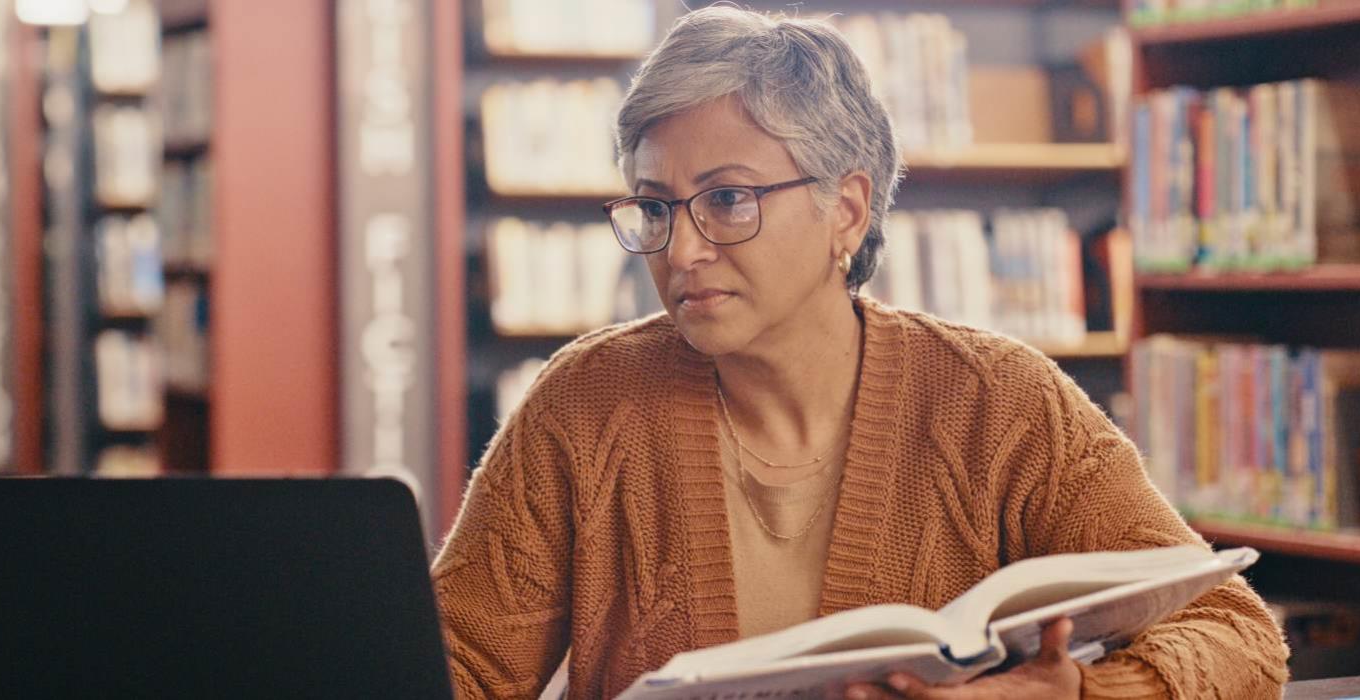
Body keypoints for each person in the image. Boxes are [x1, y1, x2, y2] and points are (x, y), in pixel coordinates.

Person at [433, 7, 1290, 698]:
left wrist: (1077, 695)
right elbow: (456, 666)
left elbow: (1235, 634)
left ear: (846, 209)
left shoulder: (995, 401)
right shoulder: (588, 400)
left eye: (726, 199)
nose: (682, 249)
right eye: (655, 208)